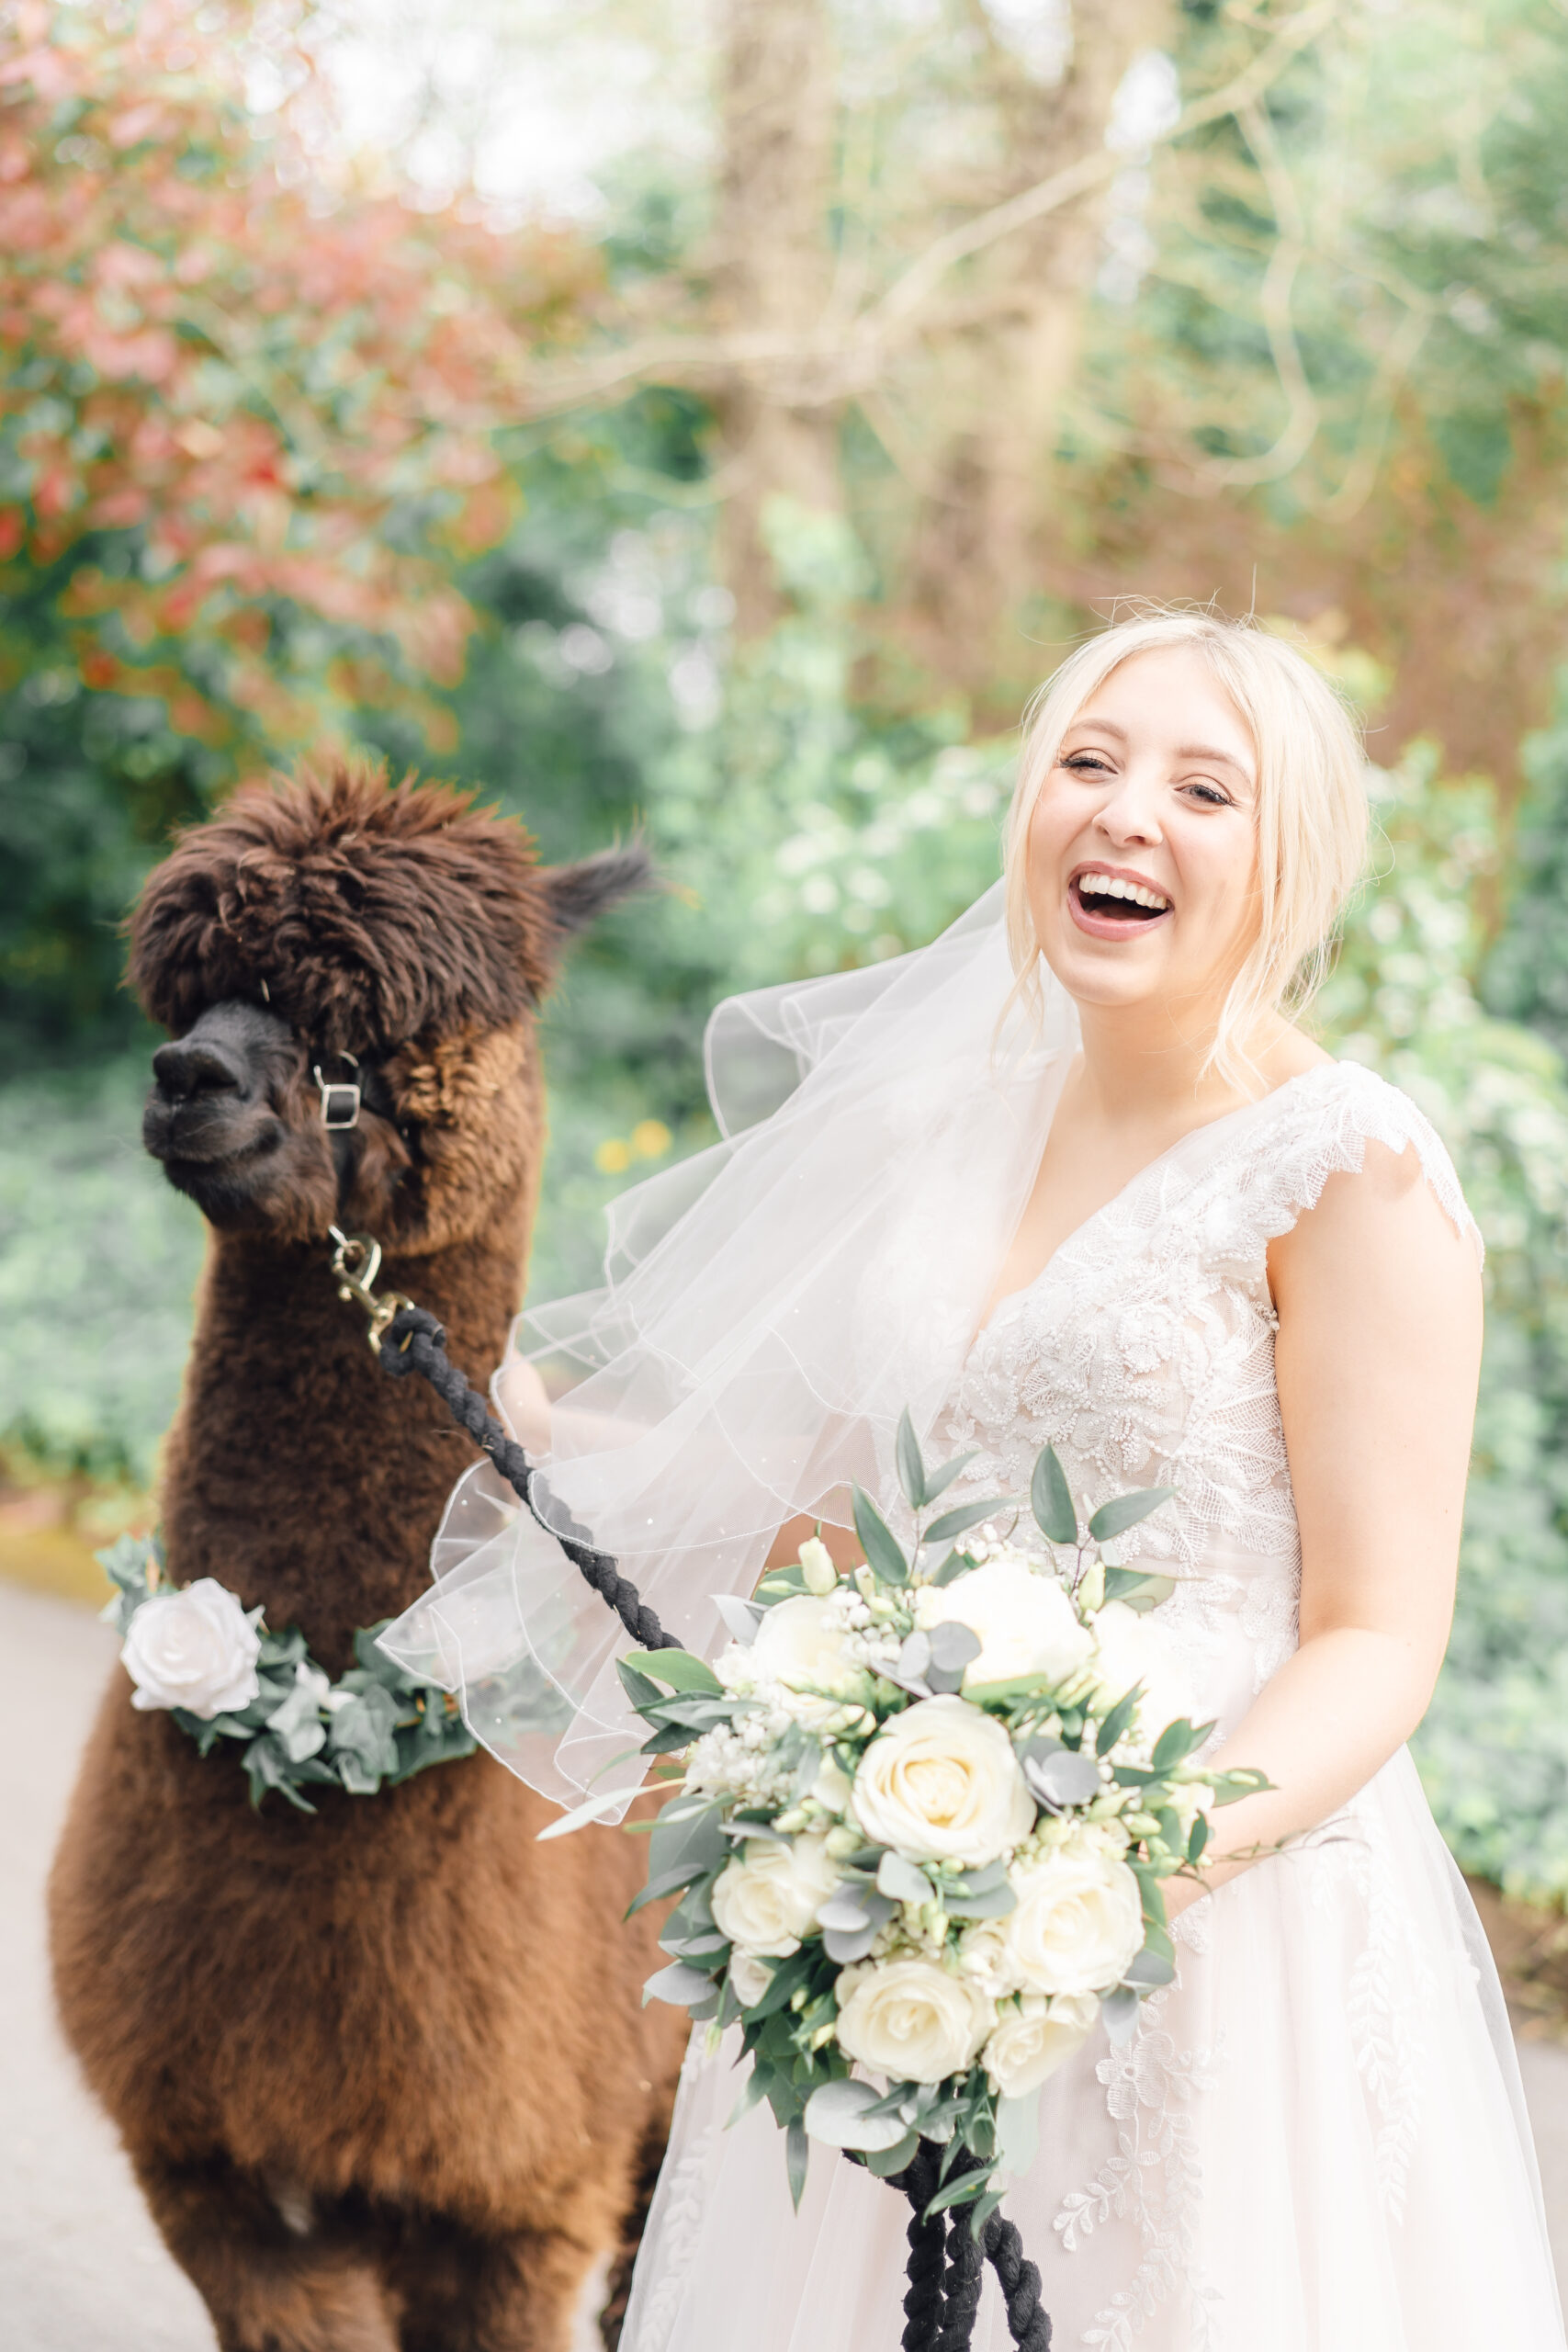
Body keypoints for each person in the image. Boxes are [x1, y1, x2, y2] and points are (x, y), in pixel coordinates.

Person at [383, 608, 1565, 2350]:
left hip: (1205, 1926)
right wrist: (555, 1436)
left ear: (1290, 853)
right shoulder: (954, 1126)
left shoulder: (1351, 1170)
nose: (1124, 813)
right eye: (1086, 763)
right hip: (904, 1893)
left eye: (1202, 788)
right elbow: (850, 1498)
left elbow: (1380, 1639)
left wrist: (1115, 1875)